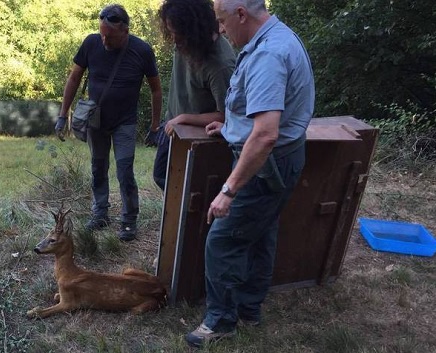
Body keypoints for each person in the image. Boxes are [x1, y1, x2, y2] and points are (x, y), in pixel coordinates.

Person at [185, 0, 315, 348]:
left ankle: (221, 321)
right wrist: (231, 127)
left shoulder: (268, 55)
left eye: (223, 21)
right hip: (279, 159)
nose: (221, 30)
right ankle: (249, 309)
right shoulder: (280, 37)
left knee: (223, 240)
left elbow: (266, 134)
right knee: (260, 232)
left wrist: (228, 190)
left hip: (264, 163)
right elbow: (261, 116)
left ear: (241, 14)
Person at [55, 4, 162, 241]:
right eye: (102, 33)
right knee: (98, 168)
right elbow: (74, 78)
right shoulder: (91, 43)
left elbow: (156, 89)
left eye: (110, 36)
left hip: (125, 122)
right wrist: (63, 114)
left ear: (125, 31)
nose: (104, 40)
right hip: (97, 121)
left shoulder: (141, 50)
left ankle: (128, 221)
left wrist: (155, 127)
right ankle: (100, 214)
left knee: (125, 171)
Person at [151, 0, 236, 191]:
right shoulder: (185, 43)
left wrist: (184, 119)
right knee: (162, 176)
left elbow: (226, 115)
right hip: (172, 125)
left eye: (176, 34)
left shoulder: (220, 65)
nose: (173, 39)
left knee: (192, 189)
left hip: (199, 137)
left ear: (193, 30)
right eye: (170, 32)